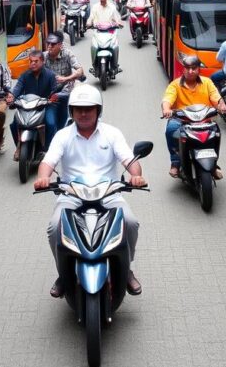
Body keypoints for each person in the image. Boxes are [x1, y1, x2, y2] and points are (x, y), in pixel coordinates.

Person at [34, 85, 146, 297]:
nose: (83, 113)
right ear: (71, 111)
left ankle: (127, 267)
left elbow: (130, 160)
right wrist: (43, 178)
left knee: (131, 222)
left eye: (89, 109)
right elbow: (48, 162)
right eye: (78, 109)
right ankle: (63, 272)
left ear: (98, 110)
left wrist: (135, 175)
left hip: (109, 194)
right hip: (72, 195)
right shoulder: (63, 135)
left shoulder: (112, 133)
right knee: (53, 227)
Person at [161, 55, 226, 179]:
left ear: (199, 69)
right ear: (183, 69)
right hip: (182, 120)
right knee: (170, 129)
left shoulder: (207, 82)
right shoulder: (175, 85)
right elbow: (167, 99)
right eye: (187, 68)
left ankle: (213, 165)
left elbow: (215, 96)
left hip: (205, 119)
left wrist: (222, 105)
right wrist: (167, 109)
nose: (190, 71)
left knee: (217, 133)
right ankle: (175, 162)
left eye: (194, 68)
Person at [10, 50, 61, 159]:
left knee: (51, 123)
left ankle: (46, 149)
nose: (32, 64)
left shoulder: (50, 75)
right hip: (27, 106)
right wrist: (12, 97)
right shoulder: (24, 75)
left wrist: (52, 98)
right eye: (31, 61)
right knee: (14, 124)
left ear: (42, 61)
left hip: (46, 105)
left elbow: (55, 90)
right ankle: (19, 146)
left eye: (35, 61)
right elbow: (18, 88)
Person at [44, 32, 84, 128]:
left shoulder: (67, 54)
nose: (49, 46)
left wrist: (66, 79)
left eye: (52, 44)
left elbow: (80, 70)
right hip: (49, 95)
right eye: (48, 43)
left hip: (67, 92)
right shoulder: (43, 57)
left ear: (60, 45)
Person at [88, 0, 124, 73]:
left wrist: (119, 23)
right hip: (98, 32)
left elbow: (117, 18)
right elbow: (91, 17)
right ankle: (94, 65)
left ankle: (115, 66)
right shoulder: (95, 7)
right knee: (94, 47)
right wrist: (88, 23)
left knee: (115, 47)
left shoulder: (112, 7)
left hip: (110, 32)